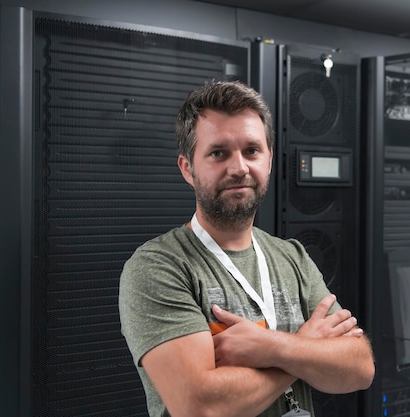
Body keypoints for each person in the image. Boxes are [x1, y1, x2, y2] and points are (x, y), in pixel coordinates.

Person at [118, 80, 375, 417]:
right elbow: (200, 406)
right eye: (218, 153)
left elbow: (360, 367)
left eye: (252, 150)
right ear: (188, 169)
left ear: (268, 160)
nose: (239, 167)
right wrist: (305, 348)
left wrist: (271, 347)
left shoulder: (292, 256)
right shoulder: (159, 267)